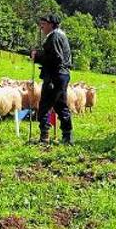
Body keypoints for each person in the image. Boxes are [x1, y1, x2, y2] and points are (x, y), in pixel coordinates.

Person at [30, 14, 73, 144]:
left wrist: (37, 55)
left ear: (51, 24)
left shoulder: (55, 36)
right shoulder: (60, 35)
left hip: (54, 75)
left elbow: (55, 58)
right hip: (61, 74)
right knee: (61, 106)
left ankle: (44, 137)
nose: (41, 26)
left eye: (43, 23)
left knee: (44, 106)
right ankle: (67, 137)